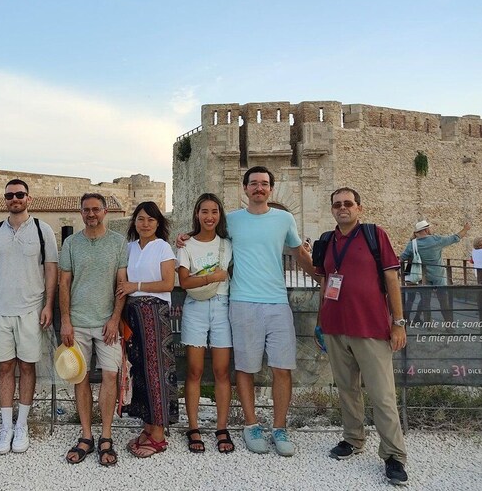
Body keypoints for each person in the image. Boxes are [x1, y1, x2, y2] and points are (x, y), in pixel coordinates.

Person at [178, 167, 315, 456]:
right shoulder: (232, 221)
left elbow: (299, 253)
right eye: (253, 183)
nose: (259, 188)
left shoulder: (285, 219)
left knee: (282, 368)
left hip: (277, 302)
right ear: (245, 188)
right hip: (242, 302)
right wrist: (184, 237)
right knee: (245, 368)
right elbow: (207, 234)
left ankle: (279, 427)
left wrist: (321, 277)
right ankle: (251, 424)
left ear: (271, 188)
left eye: (264, 183)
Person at [315, 187, 409, 486]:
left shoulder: (373, 235)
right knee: (347, 389)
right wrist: (320, 321)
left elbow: (392, 278)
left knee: (382, 395)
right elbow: (325, 282)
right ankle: (353, 439)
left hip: (370, 328)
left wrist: (398, 322)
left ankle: (394, 455)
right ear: (332, 209)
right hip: (335, 327)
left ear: (359, 208)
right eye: (337, 204)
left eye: (348, 203)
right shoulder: (326, 241)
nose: (342, 208)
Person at [0, 179, 59, 455]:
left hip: (31, 309)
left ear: (28, 198)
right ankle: (5, 426)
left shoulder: (43, 230)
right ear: (5, 199)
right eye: (10, 195)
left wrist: (48, 305)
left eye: (20, 194)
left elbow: (51, 269)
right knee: (4, 367)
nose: (15, 198)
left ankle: (21, 424)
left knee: (27, 366)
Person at [59, 193, 128, 466]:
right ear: (81, 212)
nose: (91, 214)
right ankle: (86, 436)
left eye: (96, 209)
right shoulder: (71, 243)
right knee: (80, 378)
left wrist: (115, 318)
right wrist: (66, 320)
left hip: (107, 323)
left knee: (110, 375)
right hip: (77, 322)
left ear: (105, 211)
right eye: (86, 210)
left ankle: (106, 436)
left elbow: (121, 284)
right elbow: (64, 284)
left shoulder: (118, 242)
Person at [115, 201, 178, 457]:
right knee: (140, 370)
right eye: (141, 219)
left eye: (151, 219)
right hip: (133, 313)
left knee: (157, 370)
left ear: (158, 223)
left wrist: (135, 286)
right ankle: (149, 426)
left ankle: (159, 434)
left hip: (154, 313)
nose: (145, 224)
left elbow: (168, 283)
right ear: (134, 222)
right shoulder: (128, 248)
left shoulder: (163, 247)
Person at [176, 193, 234, 454]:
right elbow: (184, 282)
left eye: (214, 211)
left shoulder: (228, 244)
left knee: (222, 371)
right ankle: (194, 427)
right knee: (195, 370)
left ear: (220, 215)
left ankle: (222, 427)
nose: (209, 217)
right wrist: (213, 277)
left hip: (222, 306)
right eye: (204, 211)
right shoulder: (186, 245)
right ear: (197, 214)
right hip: (195, 308)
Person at [400, 219, 471, 322]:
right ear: (426, 230)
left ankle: (428, 324)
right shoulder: (436, 239)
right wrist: (465, 229)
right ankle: (448, 325)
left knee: (426, 301)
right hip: (439, 275)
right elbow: (455, 238)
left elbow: (402, 258)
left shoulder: (412, 244)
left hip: (423, 276)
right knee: (443, 301)